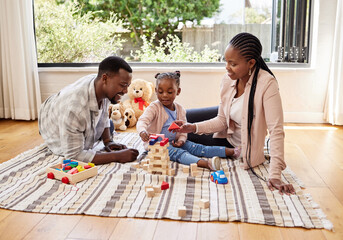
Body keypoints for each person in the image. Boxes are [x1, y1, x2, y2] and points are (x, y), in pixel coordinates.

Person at [174, 33, 295, 195]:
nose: (227, 67)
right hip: (228, 124)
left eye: (233, 64)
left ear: (251, 63)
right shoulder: (228, 79)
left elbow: (276, 132)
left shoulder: (267, 84)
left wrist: (275, 175)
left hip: (236, 143)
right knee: (184, 120)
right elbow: (222, 120)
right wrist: (193, 127)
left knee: (185, 139)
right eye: (226, 61)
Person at [38, 56, 139, 165]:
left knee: (109, 126)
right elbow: (74, 156)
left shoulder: (101, 86)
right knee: (82, 142)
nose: (125, 91)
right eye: (123, 85)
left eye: (128, 86)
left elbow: (104, 113)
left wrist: (108, 141)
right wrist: (117, 156)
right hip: (51, 119)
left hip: (69, 110)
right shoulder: (74, 109)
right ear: (104, 79)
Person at [136, 71, 240, 171]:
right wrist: (142, 131)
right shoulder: (154, 107)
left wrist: (181, 140)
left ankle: (233, 151)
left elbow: (183, 131)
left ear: (178, 91)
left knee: (198, 148)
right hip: (157, 145)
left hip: (174, 142)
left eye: (170, 92)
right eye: (160, 91)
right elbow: (142, 121)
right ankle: (206, 164)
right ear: (156, 90)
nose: (164, 95)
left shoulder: (180, 109)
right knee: (179, 153)